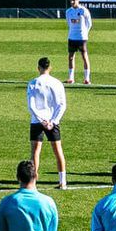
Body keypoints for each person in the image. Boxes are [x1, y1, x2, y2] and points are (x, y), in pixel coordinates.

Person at [26, 56, 69, 190]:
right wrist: (53, 121)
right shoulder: (57, 83)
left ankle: (33, 182)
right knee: (58, 151)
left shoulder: (33, 83)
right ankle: (63, 182)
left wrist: (41, 120)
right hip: (52, 121)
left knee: (35, 152)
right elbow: (62, 105)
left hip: (37, 121)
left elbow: (31, 106)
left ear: (38, 68)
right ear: (50, 67)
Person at [63, 0, 92, 85]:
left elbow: (89, 23)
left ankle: (87, 79)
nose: (72, 2)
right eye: (71, 0)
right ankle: (71, 78)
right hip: (72, 37)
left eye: (74, 0)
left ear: (78, 0)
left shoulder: (83, 10)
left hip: (81, 37)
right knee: (71, 57)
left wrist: (85, 33)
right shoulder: (68, 11)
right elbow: (69, 23)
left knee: (84, 56)